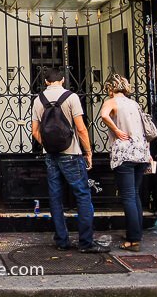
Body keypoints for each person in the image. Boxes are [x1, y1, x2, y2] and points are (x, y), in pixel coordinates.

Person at [32, 68, 109, 253]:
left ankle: (61, 240)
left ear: (46, 82)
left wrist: (49, 145)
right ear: (63, 80)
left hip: (50, 155)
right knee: (82, 195)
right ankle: (86, 242)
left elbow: (35, 131)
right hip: (71, 153)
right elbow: (81, 128)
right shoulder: (71, 97)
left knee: (55, 197)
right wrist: (88, 151)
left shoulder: (38, 100)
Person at [99, 73, 151, 252]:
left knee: (128, 196)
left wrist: (116, 130)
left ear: (110, 88)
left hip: (125, 154)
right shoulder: (134, 103)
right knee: (134, 194)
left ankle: (133, 239)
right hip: (141, 153)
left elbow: (104, 116)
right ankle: (136, 233)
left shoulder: (111, 102)